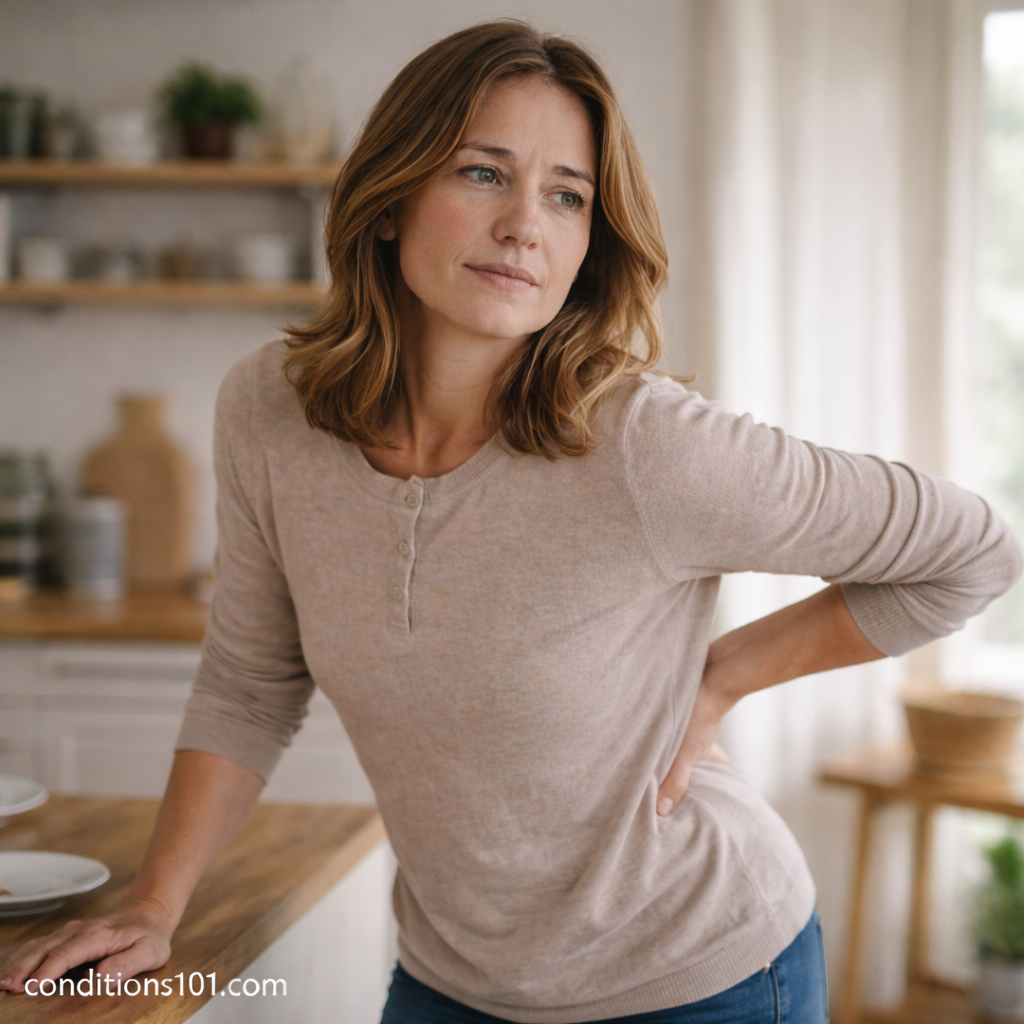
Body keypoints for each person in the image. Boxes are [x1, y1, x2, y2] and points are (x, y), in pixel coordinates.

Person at [2, 21, 1021, 1024]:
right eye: (483, 173)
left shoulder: (645, 445)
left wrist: (722, 674)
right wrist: (153, 906)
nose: (525, 224)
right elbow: (250, 678)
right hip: (454, 978)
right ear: (392, 197)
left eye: (566, 195)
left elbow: (974, 550)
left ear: (588, 243)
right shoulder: (268, 411)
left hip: (694, 977)